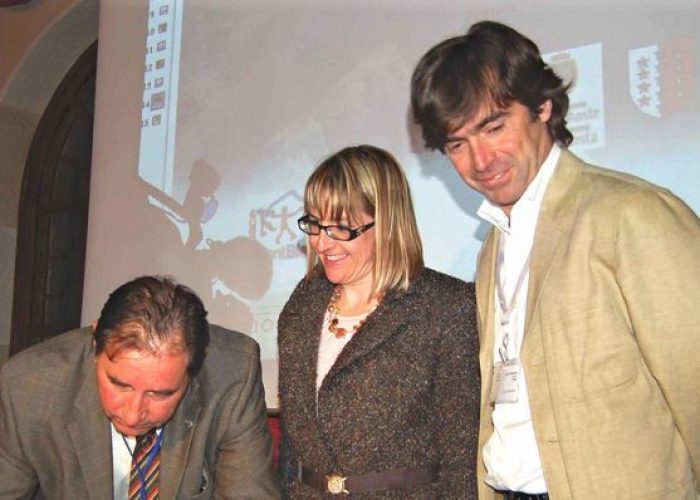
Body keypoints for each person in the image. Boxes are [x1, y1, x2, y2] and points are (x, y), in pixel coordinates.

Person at [411, 20, 700, 500]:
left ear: (542, 107)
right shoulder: (493, 248)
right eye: (457, 144)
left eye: (493, 127)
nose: (480, 159)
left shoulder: (631, 215)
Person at [277, 145, 480, 498]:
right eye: (314, 223)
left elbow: (462, 456)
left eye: (340, 227)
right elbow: (294, 449)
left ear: (386, 223)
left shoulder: (445, 307)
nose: (322, 243)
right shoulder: (303, 302)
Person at [0, 275, 278, 499]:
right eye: (119, 385)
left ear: (197, 364)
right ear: (95, 342)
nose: (133, 414)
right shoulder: (28, 388)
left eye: (160, 394)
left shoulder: (232, 374)